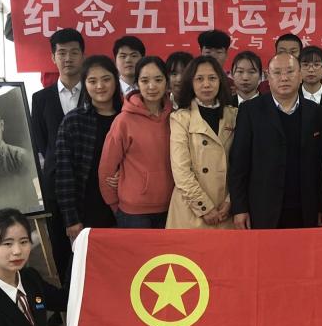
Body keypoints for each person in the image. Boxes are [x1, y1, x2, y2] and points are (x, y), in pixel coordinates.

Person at [229, 53, 322, 229]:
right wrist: (239, 208)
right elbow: (239, 164)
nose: (284, 78)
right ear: (268, 77)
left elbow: (321, 163)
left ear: (300, 75)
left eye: (290, 71)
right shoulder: (250, 111)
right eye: (277, 72)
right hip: (262, 208)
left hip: (306, 208)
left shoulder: (315, 111)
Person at [30, 28, 84, 326]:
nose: (68, 58)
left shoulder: (95, 90)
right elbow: (39, 143)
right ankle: (62, 304)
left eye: (74, 52)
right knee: (59, 244)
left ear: (82, 55)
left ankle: (88, 300)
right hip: (54, 183)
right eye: (61, 53)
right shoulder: (41, 98)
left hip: (88, 183)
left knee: (88, 242)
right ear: (53, 57)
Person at [97, 56, 174, 228]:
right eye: (145, 81)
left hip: (172, 206)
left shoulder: (176, 117)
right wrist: (115, 205)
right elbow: (107, 168)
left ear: (166, 82)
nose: (152, 86)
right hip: (134, 213)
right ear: (137, 83)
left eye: (158, 80)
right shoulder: (123, 121)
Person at [54, 55, 123, 239]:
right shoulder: (73, 121)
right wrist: (71, 219)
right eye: (92, 81)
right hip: (86, 212)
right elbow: (64, 174)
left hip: (126, 211)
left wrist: (126, 174)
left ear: (116, 81)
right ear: (84, 84)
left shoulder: (127, 117)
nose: (100, 86)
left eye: (106, 79)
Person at [167, 56, 238, 229]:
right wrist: (204, 207)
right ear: (190, 83)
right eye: (199, 79)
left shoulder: (234, 115)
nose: (206, 84)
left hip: (225, 210)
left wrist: (231, 200)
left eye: (212, 78)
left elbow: (241, 164)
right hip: (191, 209)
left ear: (220, 81)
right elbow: (181, 171)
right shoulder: (180, 118)